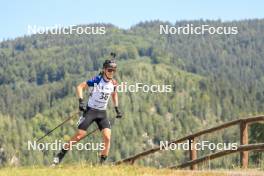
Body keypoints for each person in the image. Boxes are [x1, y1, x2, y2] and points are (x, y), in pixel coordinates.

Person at [52, 53, 122, 166]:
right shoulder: (97, 80)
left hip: (102, 113)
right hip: (91, 111)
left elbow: (114, 94)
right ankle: (59, 155)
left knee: (107, 137)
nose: (112, 72)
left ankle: (101, 165)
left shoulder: (113, 83)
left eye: (114, 71)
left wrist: (117, 108)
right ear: (104, 70)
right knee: (79, 135)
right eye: (110, 70)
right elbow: (80, 86)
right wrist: (81, 102)